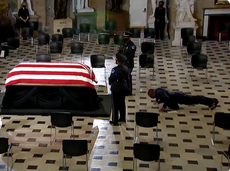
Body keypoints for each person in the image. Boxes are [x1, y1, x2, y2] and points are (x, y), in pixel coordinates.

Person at [148, 88, 219, 112]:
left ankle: (212, 102)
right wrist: (159, 101)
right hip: (176, 97)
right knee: (194, 99)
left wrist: (163, 107)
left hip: (179, 97)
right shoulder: (158, 92)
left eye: (152, 96)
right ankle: (211, 101)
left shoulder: (160, 92)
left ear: (153, 93)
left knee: (195, 99)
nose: (152, 97)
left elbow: (166, 98)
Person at [109, 53, 130, 126]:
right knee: (122, 103)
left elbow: (111, 79)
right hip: (124, 86)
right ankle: (122, 118)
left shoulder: (115, 70)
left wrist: (110, 83)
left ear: (118, 61)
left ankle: (115, 120)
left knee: (115, 104)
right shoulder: (126, 68)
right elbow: (128, 79)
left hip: (116, 87)